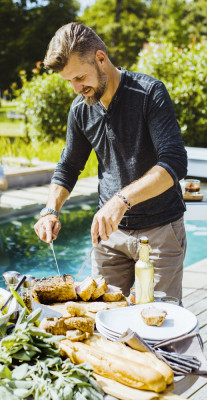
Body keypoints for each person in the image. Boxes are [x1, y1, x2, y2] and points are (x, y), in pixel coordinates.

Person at [34, 22, 188, 300]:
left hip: (159, 235)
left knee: (156, 331)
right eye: (69, 81)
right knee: (103, 322)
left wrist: (120, 200)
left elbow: (174, 163)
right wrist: (51, 210)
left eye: (80, 77)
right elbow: (68, 166)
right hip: (108, 238)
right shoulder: (80, 109)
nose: (76, 88)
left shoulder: (149, 93)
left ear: (101, 59)